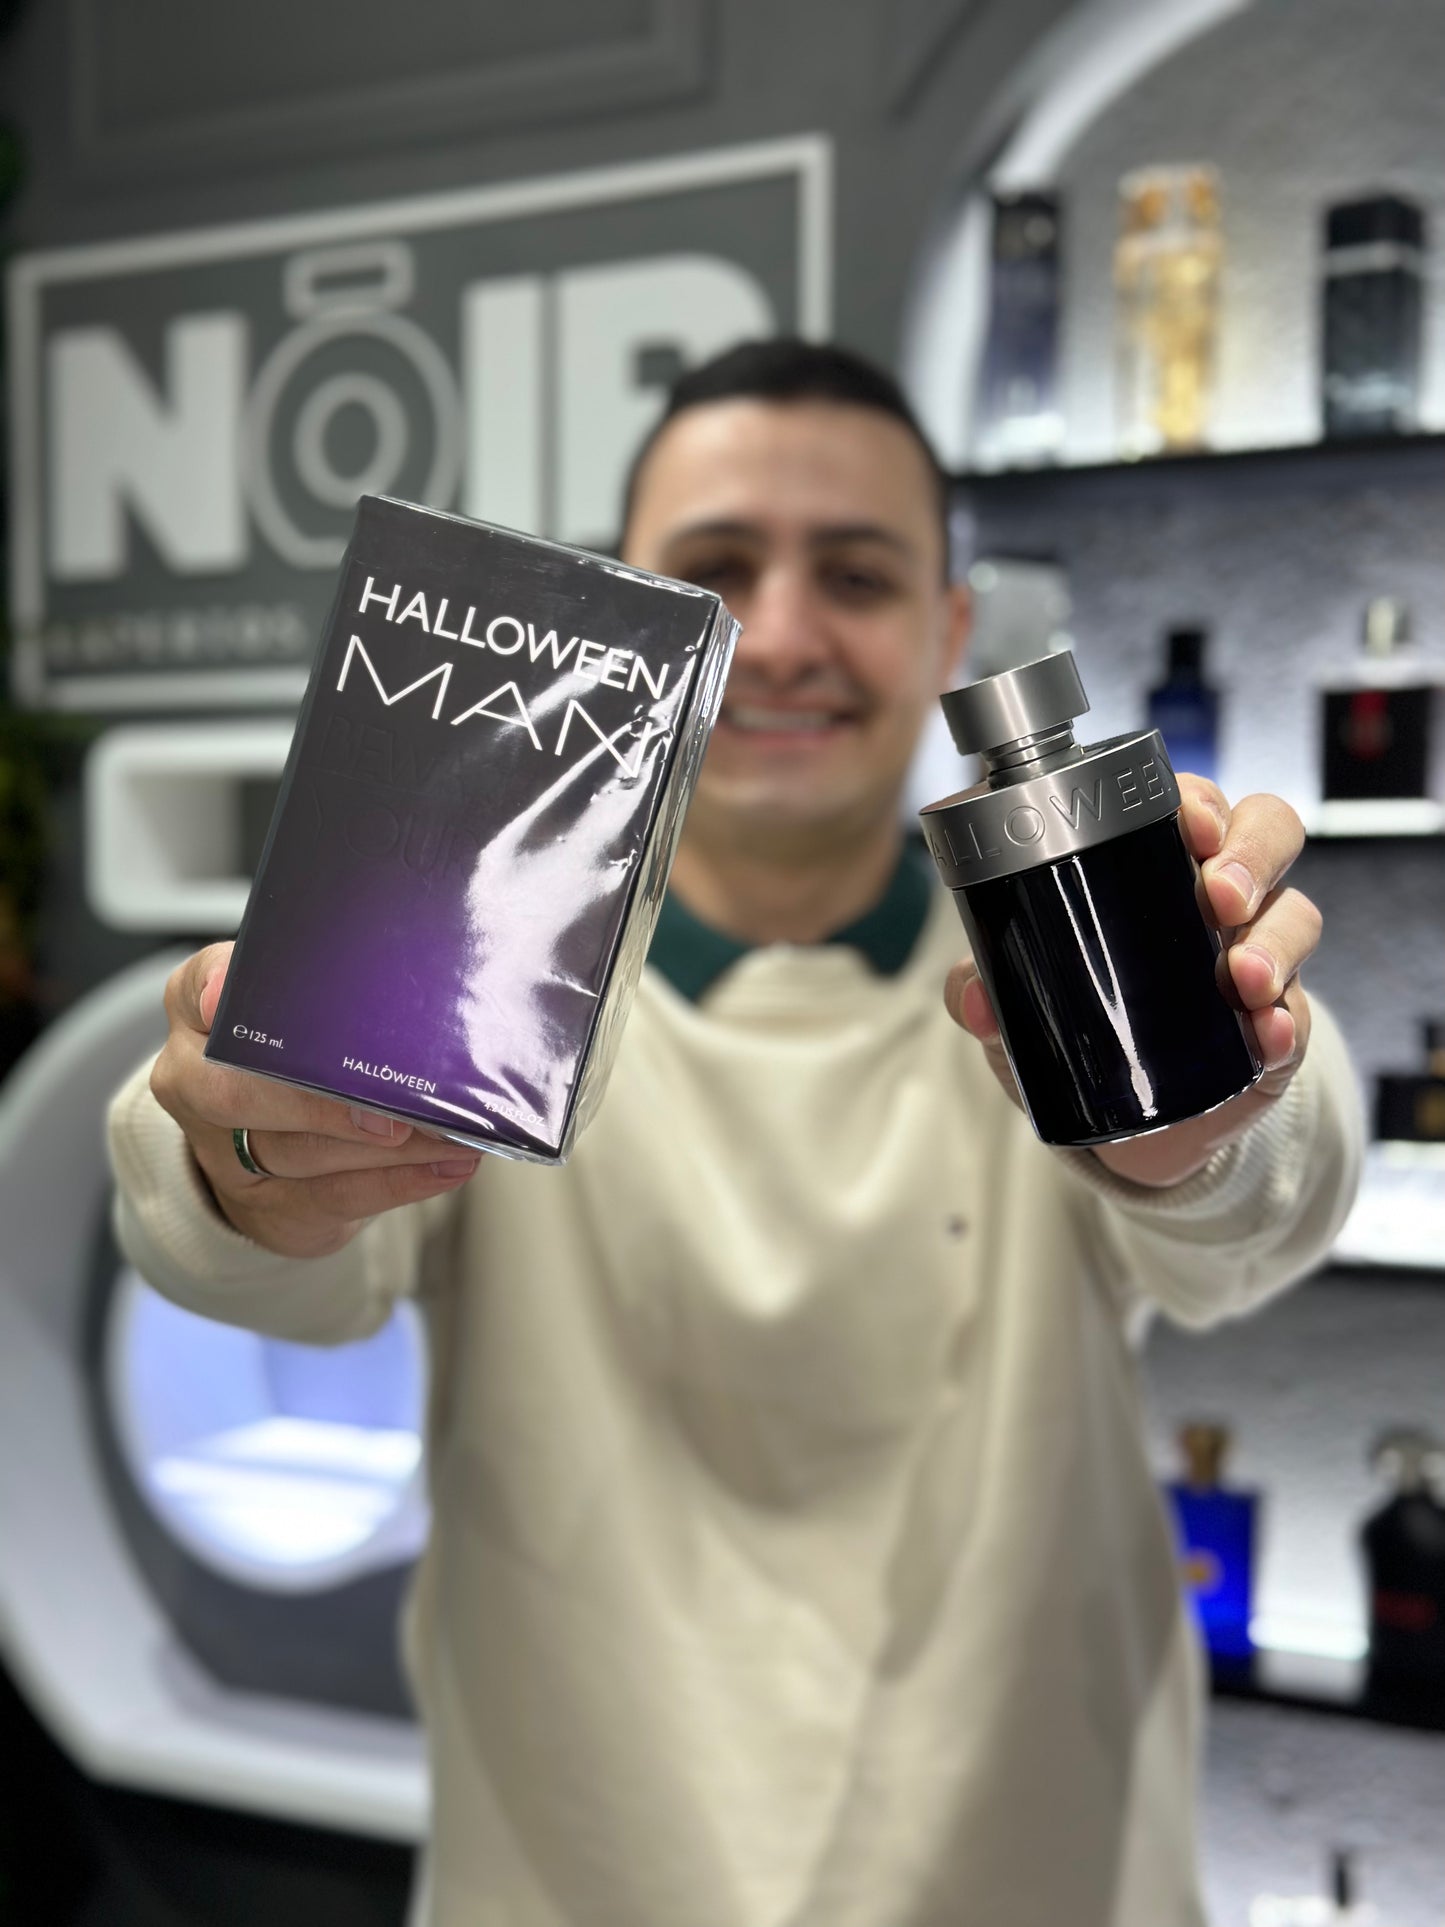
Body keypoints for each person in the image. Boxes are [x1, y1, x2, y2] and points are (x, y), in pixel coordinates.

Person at [107, 339, 1362, 1927]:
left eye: (855, 575)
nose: (778, 636)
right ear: (631, 617)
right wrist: (243, 1161)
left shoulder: (1044, 957)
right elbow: (235, 1254)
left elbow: (1272, 1201)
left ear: (949, 632)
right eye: (714, 573)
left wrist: (1208, 1111)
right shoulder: (477, 965)